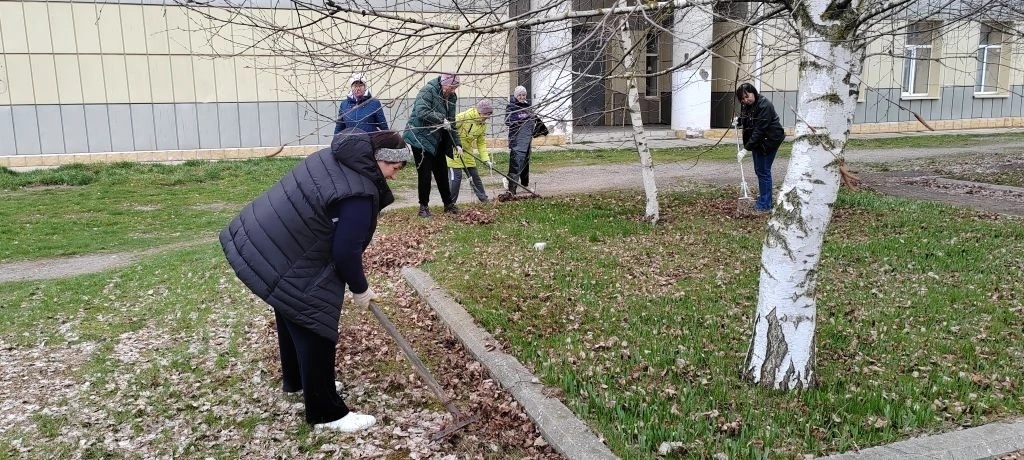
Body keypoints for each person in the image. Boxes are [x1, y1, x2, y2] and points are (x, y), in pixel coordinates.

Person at [219, 129, 411, 433]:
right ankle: (326, 413)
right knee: (315, 326)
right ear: (379, 159)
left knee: (290, 308)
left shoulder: (335, 156)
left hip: (267, 241)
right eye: (394, 168)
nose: (395, 177)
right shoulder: (358, 193)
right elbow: (346, 252)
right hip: (287, 252)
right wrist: (361, 289)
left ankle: (298, 381)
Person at [403, 73, 462, 217]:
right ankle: (423, 207)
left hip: (438, 139)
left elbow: (451, 121)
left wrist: (457, 144)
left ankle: (448, 204)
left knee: (442, 172)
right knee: (425, 174)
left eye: (455, 88)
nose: (453, 91)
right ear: (444, 84)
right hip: (421, 138)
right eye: (452, 87)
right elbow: (421, 111)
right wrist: (441, 119)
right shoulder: (427, 90)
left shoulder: (452, 97)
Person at [734, 82, 786, 212]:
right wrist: (738, 121)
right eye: (743, 99)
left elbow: (759, 129)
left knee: (763, 171)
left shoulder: (764, 105)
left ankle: (765, 204)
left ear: (753, 92)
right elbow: (747, 119)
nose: (746, 100)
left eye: (747, 96)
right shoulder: (747, 105)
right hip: (758, 142)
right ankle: (764, 198)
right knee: (760, 170)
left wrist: (746, 149)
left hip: (769, 141)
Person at [447, 100, 495, 203]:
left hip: (467, 152)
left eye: (490, 114)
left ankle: (483, 199)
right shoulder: (464, 116)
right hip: (454, 151)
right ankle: (450, 204)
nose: (488, 117)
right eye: (486, 114)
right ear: (480, 112)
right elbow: (449, 129)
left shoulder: (483, 124)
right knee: (456, 178)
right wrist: (456, 145)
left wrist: (486, 160)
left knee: (475, 176)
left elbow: (481, 143)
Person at [501, 85, 536, 199]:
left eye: (524, 95)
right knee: (516, 163)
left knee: (525, 162)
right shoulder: (511, 106)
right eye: (519, 95)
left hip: (526, 139)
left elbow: (533, 120)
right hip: (516, 139)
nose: (522, 97)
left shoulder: (528, 106)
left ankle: (525, 184)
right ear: (516, 96)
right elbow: (508, 121)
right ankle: (510, 184)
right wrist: (520, 120)